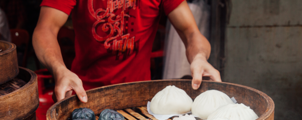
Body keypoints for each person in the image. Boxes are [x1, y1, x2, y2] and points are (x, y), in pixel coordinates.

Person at [33, 0, 221, 103]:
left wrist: (199, 57)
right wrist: (59, 69)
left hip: (139, 99)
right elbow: (45, 29)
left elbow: (191, 32)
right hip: (85, 97)